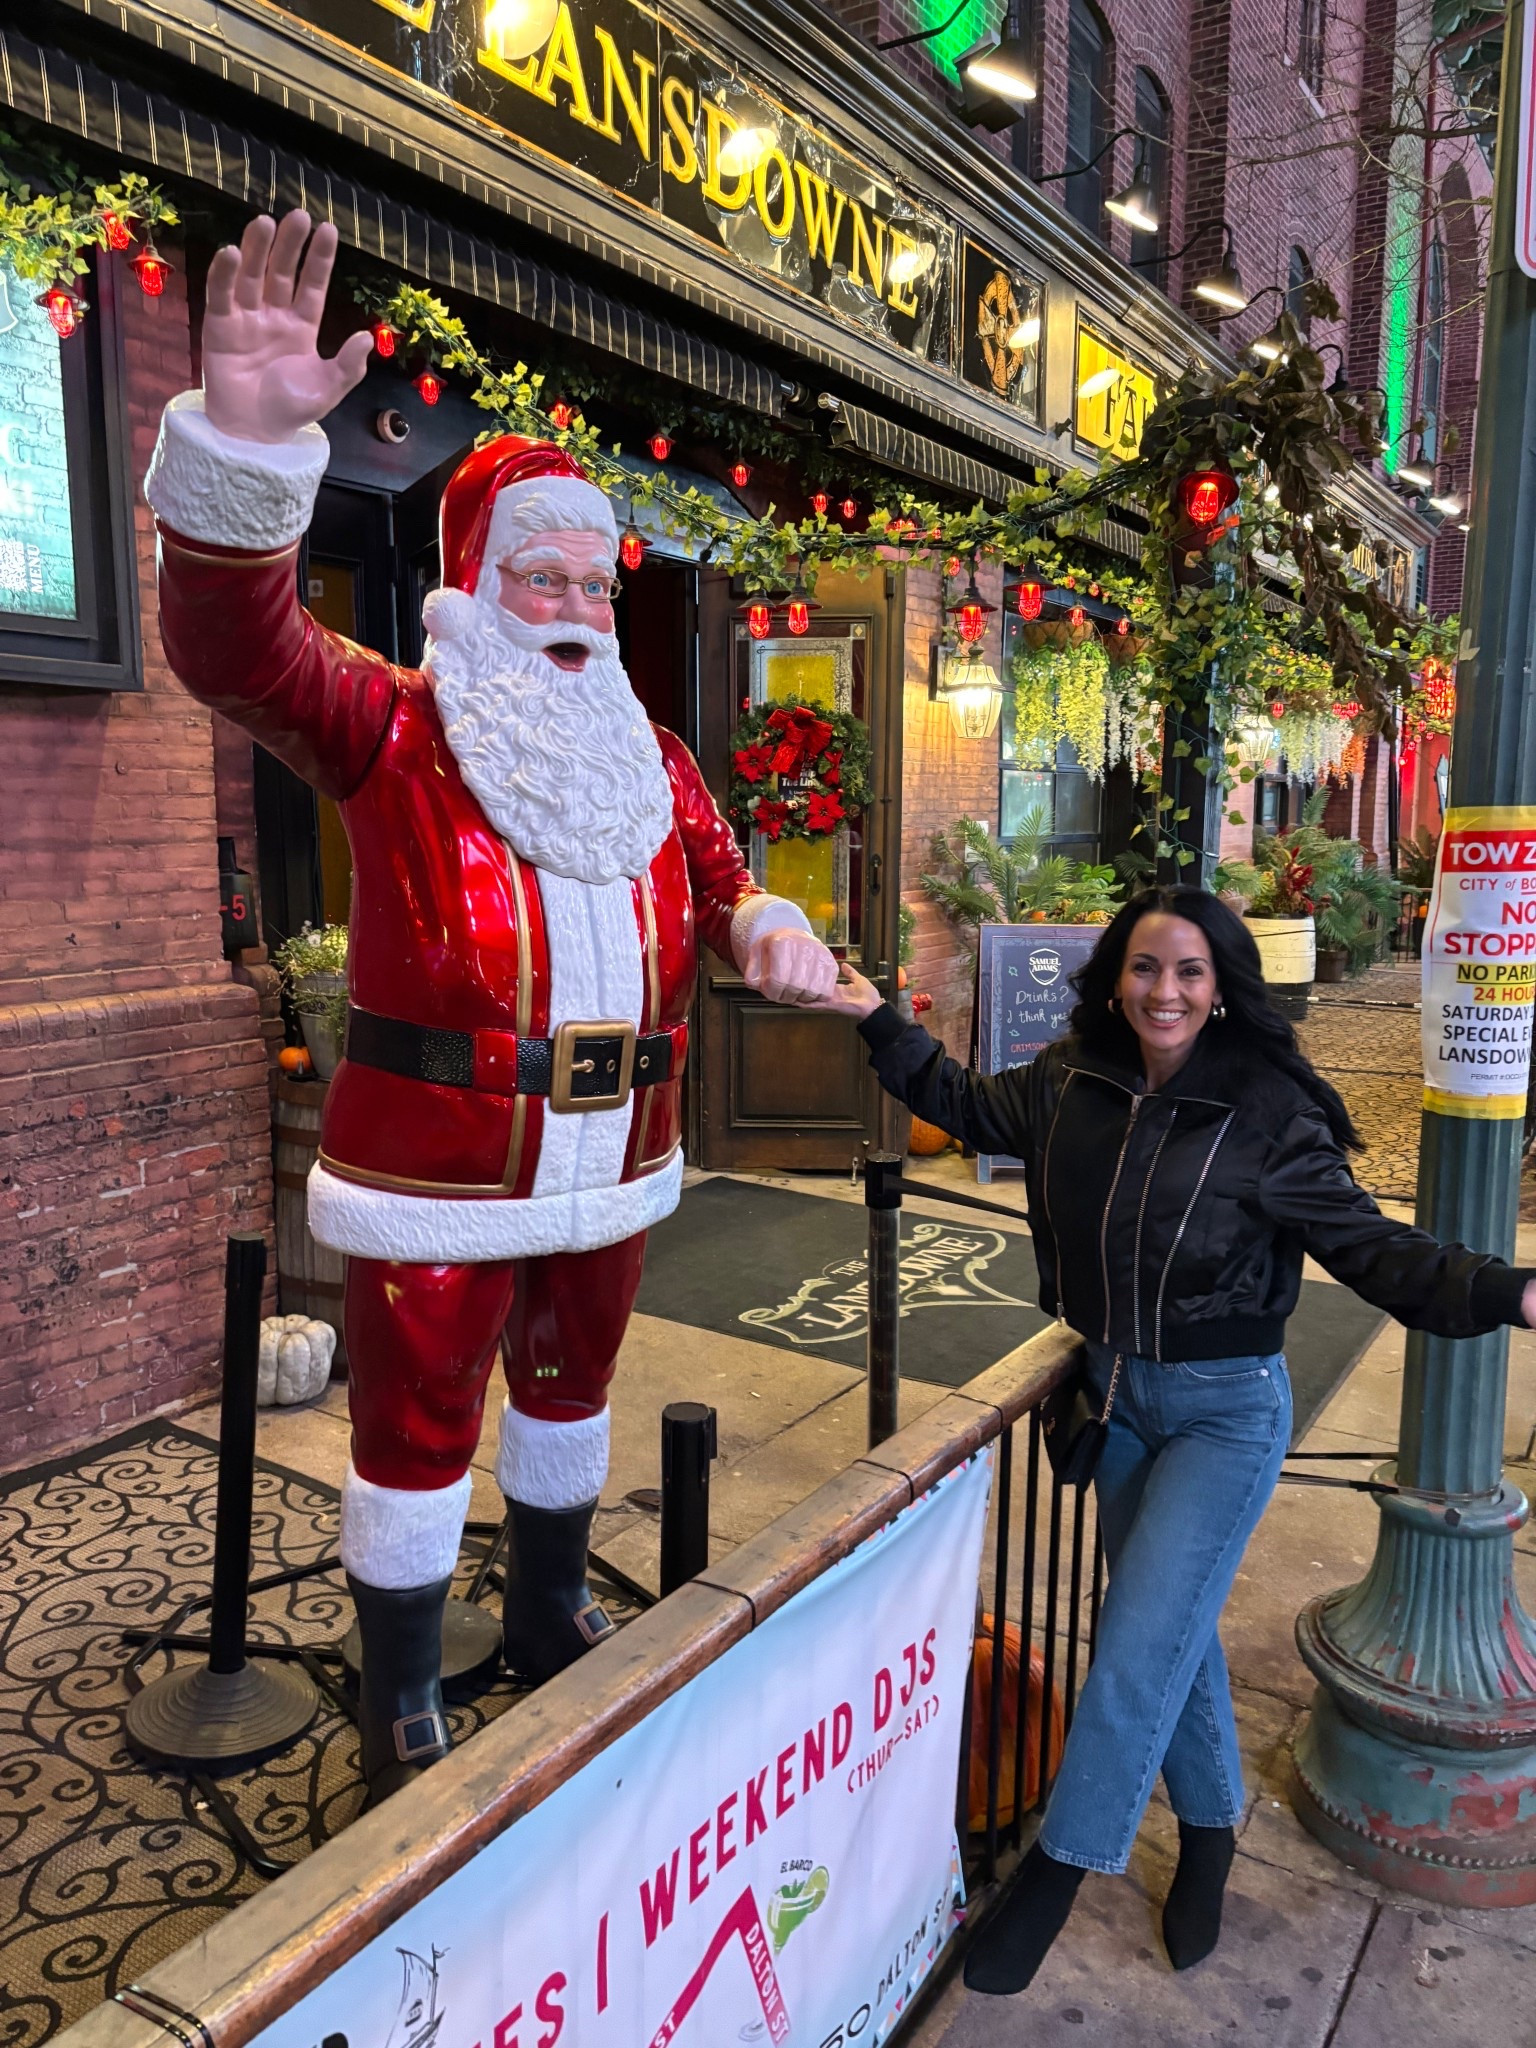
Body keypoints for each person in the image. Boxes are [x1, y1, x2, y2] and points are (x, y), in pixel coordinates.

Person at [142, 210, 840, 1803]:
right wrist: (245, 452)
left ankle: (543, 1604)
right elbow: (232, 646)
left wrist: (768, 923)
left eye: (594, 573)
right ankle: (400, 1688)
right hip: (437, 1170)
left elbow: (725, 876)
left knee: (574, 1390)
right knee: (415, 1426)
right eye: (543, 570)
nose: (577, 599)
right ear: (478, 579)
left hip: (613, 1156)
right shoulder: (394, 727)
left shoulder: (650, 755)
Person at [810, 888, 1536, 1992]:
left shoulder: (1268, 1110)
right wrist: (871, 1010)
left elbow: (1377, 1250)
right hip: (1115, 1397)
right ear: (1114, 975)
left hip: (1224, 1408)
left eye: (1191, 972)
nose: (1166, 991)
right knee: (1178, 1632)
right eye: (1147, 968)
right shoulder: (1070, 1081)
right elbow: (955, 1098)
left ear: (1222, 986)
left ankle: (1060, 1867)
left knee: (1138, 1632)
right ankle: (1209, 1828)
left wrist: (1511, 1289)